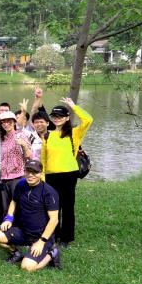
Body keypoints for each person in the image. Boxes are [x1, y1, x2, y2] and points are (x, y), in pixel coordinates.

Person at [0, 159, 62, 271]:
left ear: (41, 174)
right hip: (23, 232)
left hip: (41, 236)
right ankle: (15, 253)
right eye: (28, 171)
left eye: (35, 172)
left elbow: (54, 220)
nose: (30, 175)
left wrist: (41, 242)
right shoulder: (21, 184)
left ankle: (52, 253)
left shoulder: (49, 192)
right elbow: (14, 201)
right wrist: (9, 218)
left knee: (26, 267)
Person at [41, 97, 92, 248]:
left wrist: (73, 106)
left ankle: (66, 238)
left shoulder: (74, 133)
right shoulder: (47, 135)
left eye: (60, 116)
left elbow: (88, 120)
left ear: (67, 118)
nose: (57, 119)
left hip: (69, 174)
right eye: (54, 116)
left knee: (68, 207)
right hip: (51, 176)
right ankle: (53, 235)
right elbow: (43, 159)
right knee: (52, 207)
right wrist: (42, 176)